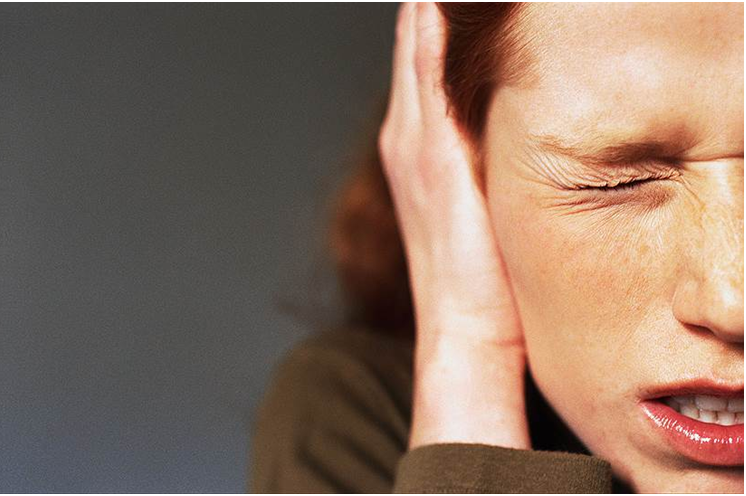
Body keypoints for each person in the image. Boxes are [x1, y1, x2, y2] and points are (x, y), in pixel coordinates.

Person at [251, 2, 744, 493]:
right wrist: (470, 365)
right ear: (454, 166)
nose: (731, 305)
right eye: (618, 181)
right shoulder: (355, 421)